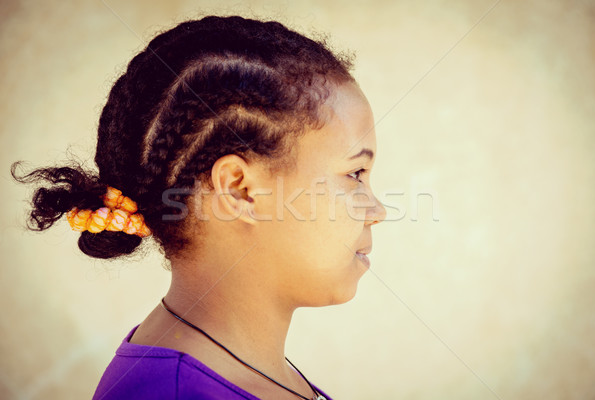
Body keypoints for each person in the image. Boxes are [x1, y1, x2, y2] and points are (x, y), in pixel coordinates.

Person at [12, 15, 386, 400]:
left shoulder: (238, 367)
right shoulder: (167, 393)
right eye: (355, 173)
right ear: (239, 190)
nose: (377, 210)